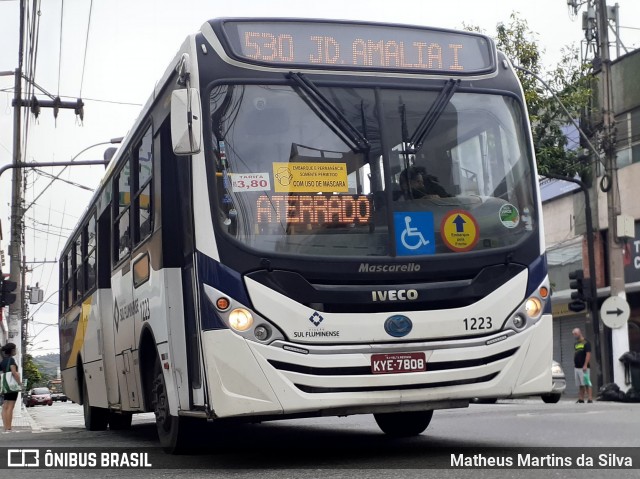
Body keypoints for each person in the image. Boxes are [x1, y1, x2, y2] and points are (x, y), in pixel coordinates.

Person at [1, 342, 21, 433]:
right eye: (15, 349)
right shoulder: (11, 360)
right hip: (12, 385)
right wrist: (19, 383)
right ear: (12, 350)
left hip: (5, 385)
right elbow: (14, 372)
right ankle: (9, 428)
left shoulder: (3, 361)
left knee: (5, 406)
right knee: (10, 407)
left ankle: (6, 428)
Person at [572, 328, 593, 403]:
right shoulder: (576, 343)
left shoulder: (586, 343)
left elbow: (588, 354)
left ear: (580, 333)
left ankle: (590, 398)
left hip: (584, 367)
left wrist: (585, 365)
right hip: (577, 367)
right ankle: (581, 398)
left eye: (575, 334)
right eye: (573, 334)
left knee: (587, 382)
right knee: (580, 384)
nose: (574, 335)